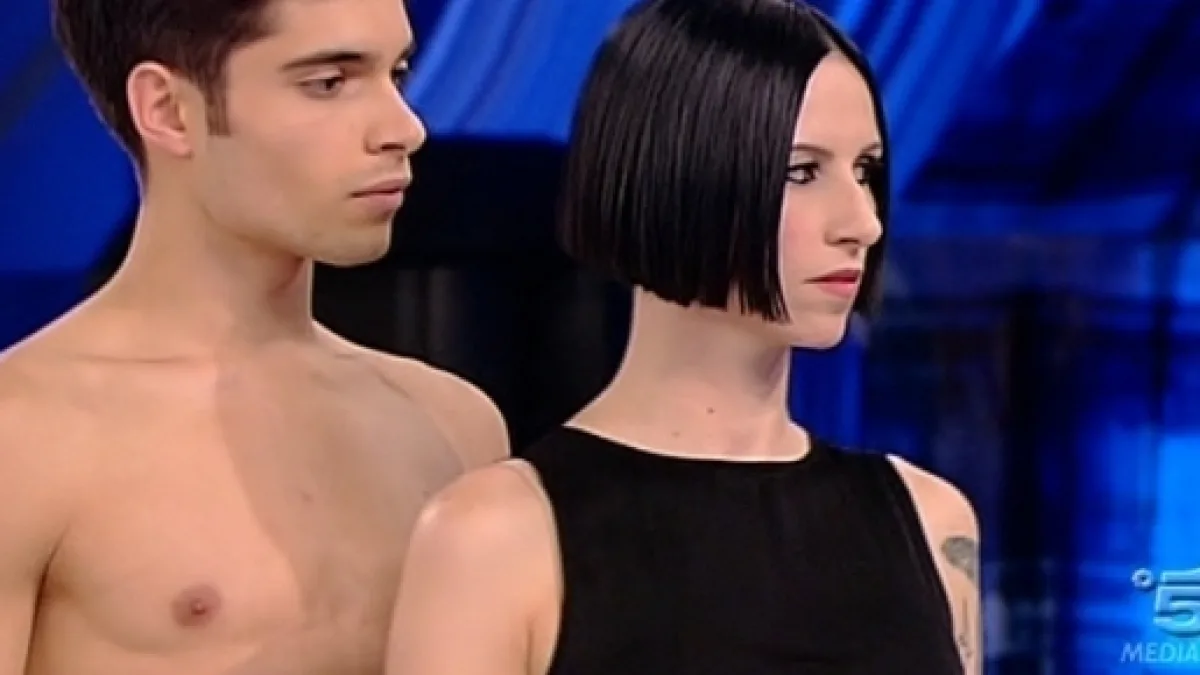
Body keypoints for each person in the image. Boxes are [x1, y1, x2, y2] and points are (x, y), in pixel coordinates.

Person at [384, 0, 981, 674]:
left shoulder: (931, 521)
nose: (862, 222)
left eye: (866, 171)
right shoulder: (495, 539)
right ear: (674, 176)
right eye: (802, 171)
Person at [0, 0, 508, 672]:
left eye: (398, 74)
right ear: (168, 110)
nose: (404, 128)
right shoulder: (23, 434)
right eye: (329, 83)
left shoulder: (454, 425)